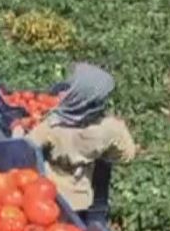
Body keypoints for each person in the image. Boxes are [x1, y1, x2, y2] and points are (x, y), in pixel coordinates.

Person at [23, 63, 137, 212]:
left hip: (48, 194)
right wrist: (103, 154)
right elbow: (127, 154)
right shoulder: (109, 128)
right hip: (81, 200)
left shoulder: (53, 125)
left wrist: (18, 130)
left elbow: (25, 148)